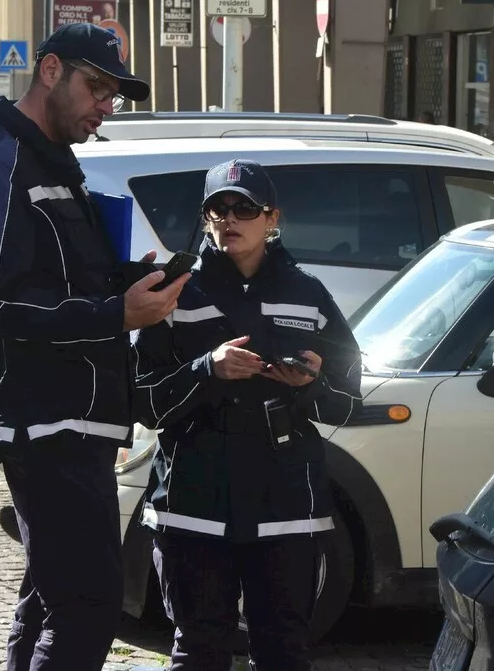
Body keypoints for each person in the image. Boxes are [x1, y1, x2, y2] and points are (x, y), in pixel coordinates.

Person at [0, 22, 188, 671]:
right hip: (43, 421)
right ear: (49, 71)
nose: (106, 104)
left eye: (113, 93)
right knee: (87, 606)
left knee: (50, 601)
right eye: (96, 87)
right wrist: (116, 311)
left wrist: (132, 283)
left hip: (80, 421)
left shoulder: (56, 161)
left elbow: (63, 280)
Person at [134, 159, 364, 671]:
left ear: (271, 217)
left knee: (282, 650)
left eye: (245, 208)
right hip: (193, 499)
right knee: (198, 649)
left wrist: (308, 386)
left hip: (282, 500)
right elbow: (142, 401)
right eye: (218, 207)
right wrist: (206, 369)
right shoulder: (176, 290)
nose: (230, 218)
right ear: (205, 216)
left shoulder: (308, 294)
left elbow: (348, 403)